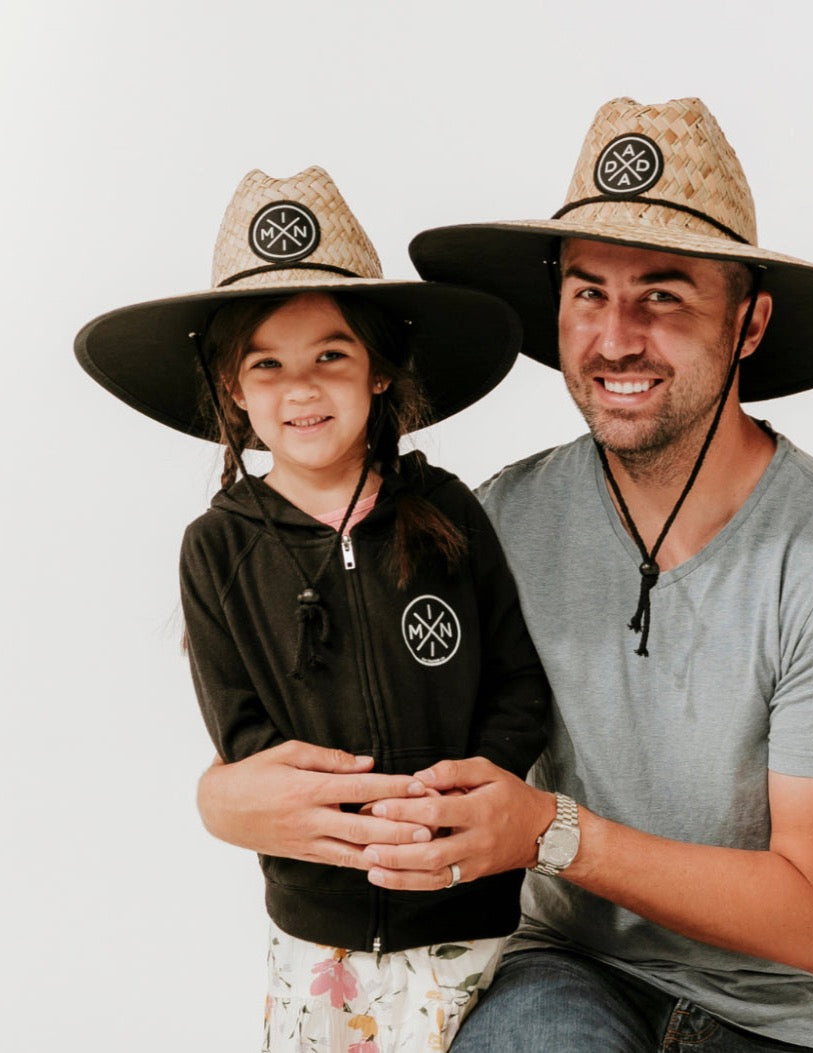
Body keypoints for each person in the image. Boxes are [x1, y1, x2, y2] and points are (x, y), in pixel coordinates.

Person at [196, 98, 813, 1053]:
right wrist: (223, 797)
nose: (614, 337)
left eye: (661, 295)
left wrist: (549, 831)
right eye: (588, 293)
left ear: (748, 324)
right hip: (559, 967)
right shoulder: (492, 518)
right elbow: (361, 704)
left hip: (780, 1011)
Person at [74, 166, 549, 1052]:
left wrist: (459, 797)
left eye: (330, 355)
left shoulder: (447, 511)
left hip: (471, 914)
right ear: (234, 396)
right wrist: (343, 828)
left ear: (377, 372)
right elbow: (244, 738)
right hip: (318, 936)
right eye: (268, 365)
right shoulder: (215, 548)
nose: (302, 388)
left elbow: (518, 681)